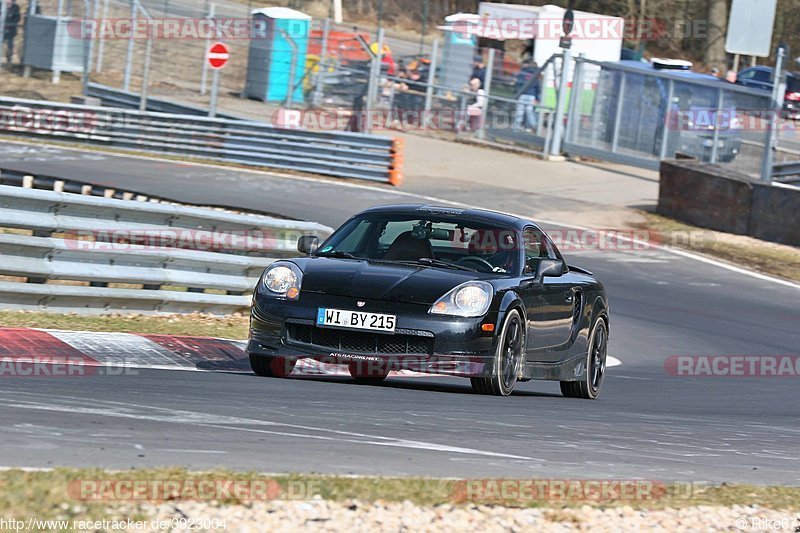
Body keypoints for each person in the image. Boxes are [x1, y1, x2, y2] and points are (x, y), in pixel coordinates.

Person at [513, 60, 541, 131]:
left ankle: (516, 127)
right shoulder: (536, 74)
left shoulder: (522, 73)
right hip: (531, 95)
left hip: (522, 94)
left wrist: (517, 94)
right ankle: (533, 125)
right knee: (529, 111)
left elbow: (517, 84)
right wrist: (537, 98)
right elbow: (538, 87)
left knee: (519, 111)